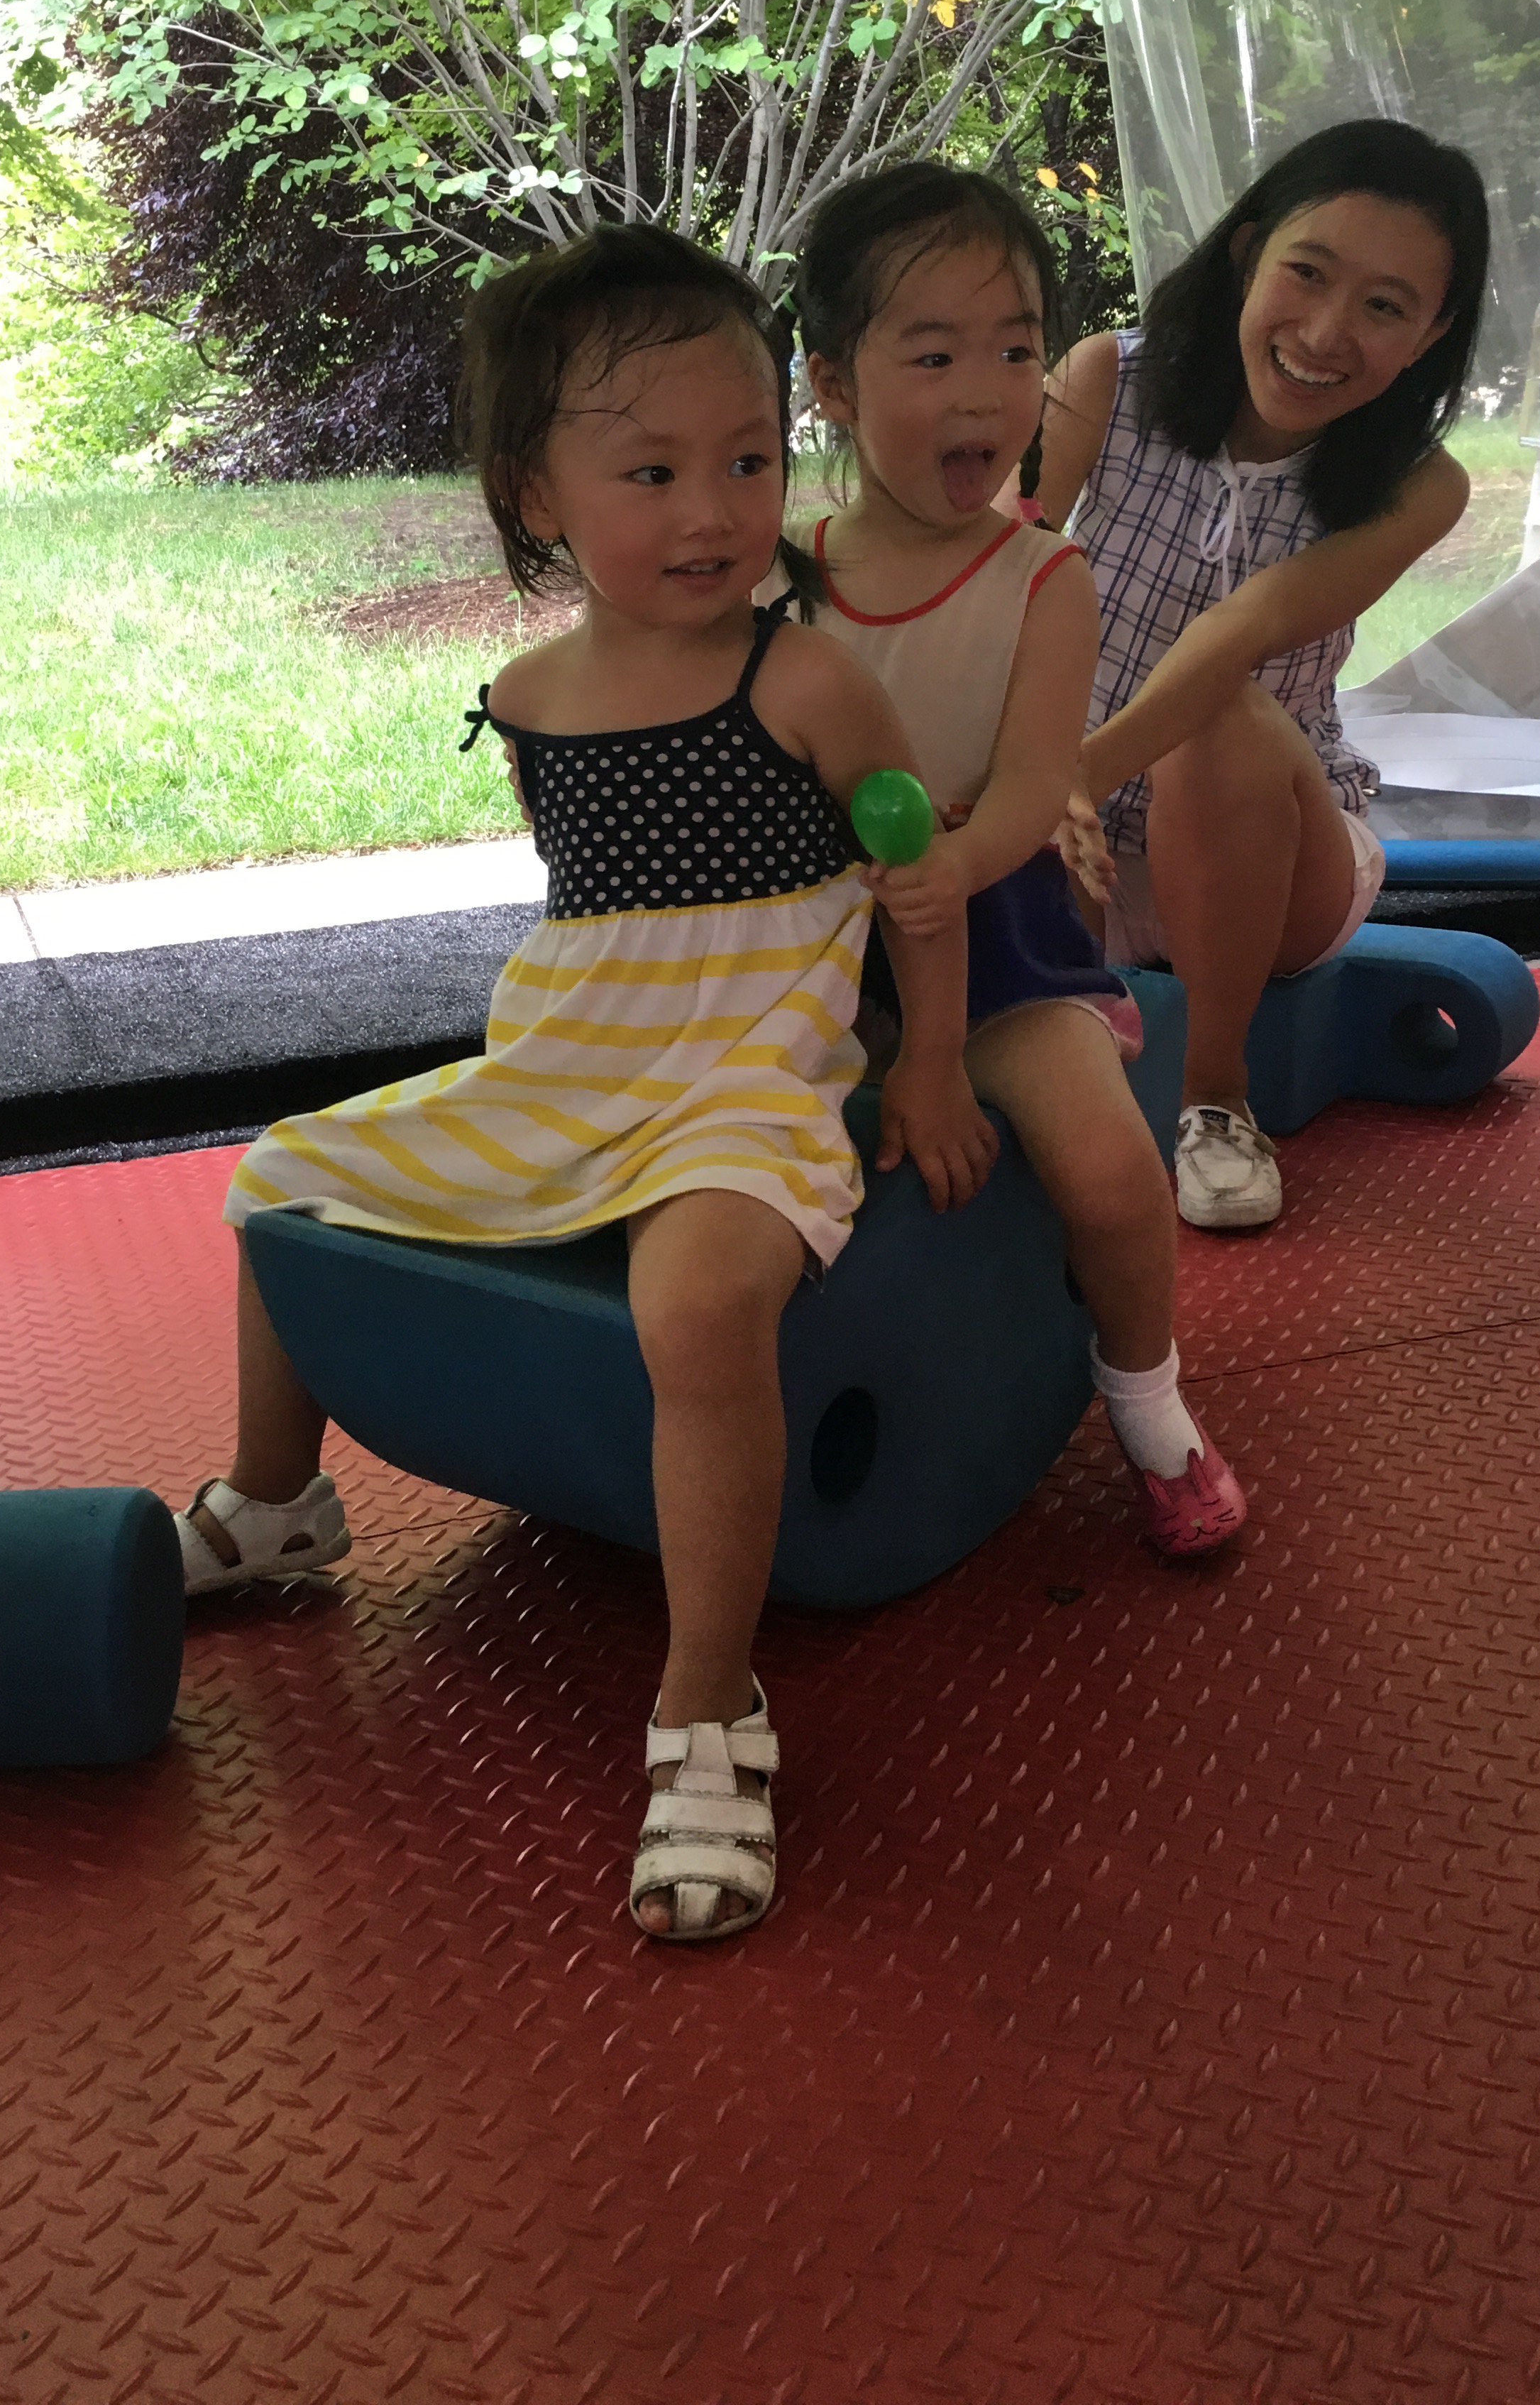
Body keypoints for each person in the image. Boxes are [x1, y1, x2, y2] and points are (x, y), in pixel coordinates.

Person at [175, 224, 994, 1946]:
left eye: (749, 462)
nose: (713, 511)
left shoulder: (806, 678)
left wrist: (929, 1059)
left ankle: (707, 1706)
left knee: (696, 1306)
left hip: (746, 1072)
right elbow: (590, 915)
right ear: (536, 493)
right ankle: (277, 1501)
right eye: (652, 471)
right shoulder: (531, 701)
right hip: (567, 1061)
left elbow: (916, 879)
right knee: (281, 1179)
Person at [787, 160, 1248, 1560]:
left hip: (990, 930)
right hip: (806, 949)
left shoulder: (1044, 577)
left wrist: (947, 871)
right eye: (934, 356)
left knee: (1110, 1168)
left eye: (1015, 353)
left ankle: (1149, 1399)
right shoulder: (778, 572)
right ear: (833, 384)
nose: (985, 395)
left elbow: (1040, 783)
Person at [1025, 120, 1490, 1232]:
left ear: (1430, 335)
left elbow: (1250, 628)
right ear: (1247, 253)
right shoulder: (1108, 375)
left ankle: (1216, 1103)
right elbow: (998, 558)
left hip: (1270, 857)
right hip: (1067, 828)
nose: (1325, 334)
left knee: (1226, 713)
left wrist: (1066, 778)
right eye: (1308, 273)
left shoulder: (1422, 486)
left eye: (1385, 307)